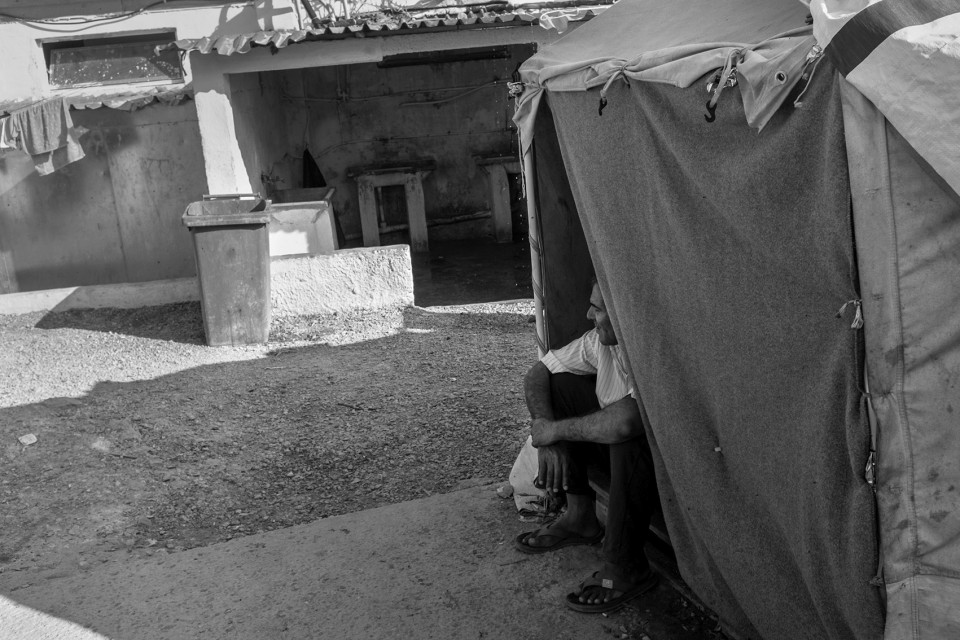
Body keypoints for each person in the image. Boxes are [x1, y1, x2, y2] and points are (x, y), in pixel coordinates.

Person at [515, 279, 660, 613]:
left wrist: (555, 431)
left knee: (623, 429)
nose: (587, 314)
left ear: (624, 313)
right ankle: (580, 516)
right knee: (558, 385)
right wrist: (545, 432)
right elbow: (537, 373)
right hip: (621, 460)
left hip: (659, 472)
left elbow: (625, 422)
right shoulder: (601, 342)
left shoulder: (650, 352)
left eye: (598, 308)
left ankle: (625, 567)